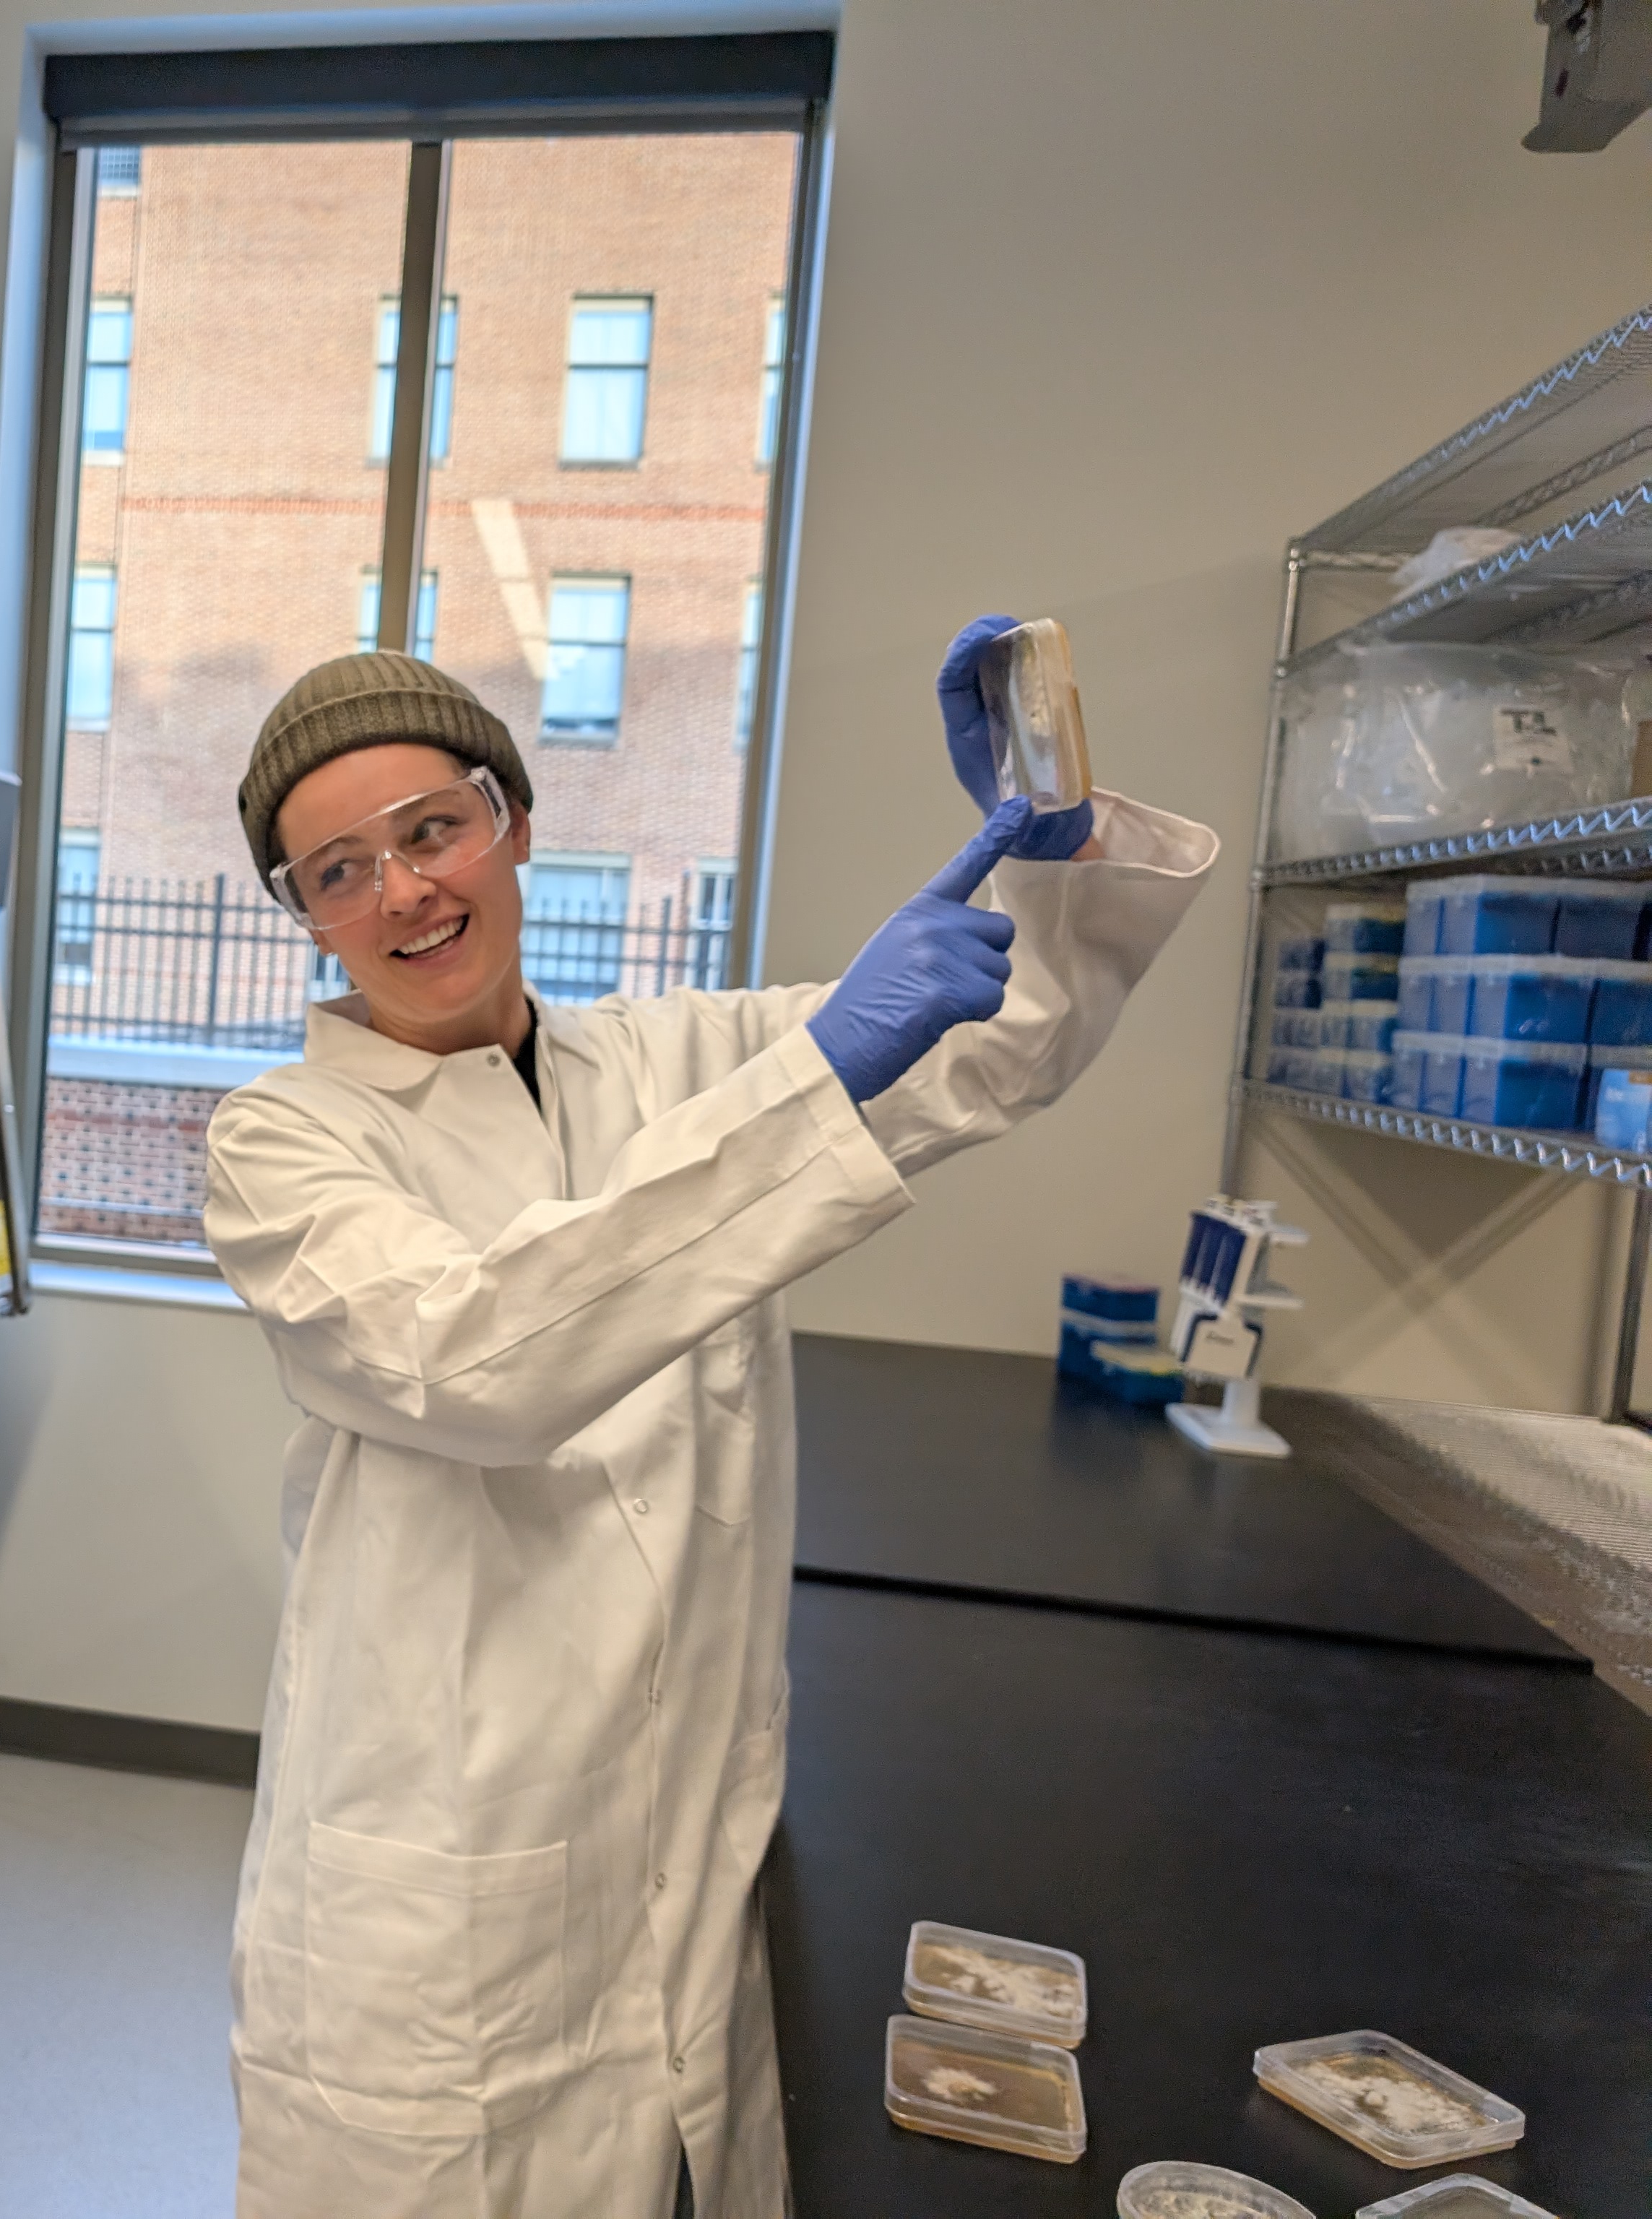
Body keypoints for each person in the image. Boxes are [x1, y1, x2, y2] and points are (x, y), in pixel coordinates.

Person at [203, 627, 1216, 2218]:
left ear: (511, 823)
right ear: (306, 918)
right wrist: (809, 1089)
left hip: (690, 1846)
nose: (401, 893)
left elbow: (1001, 1046)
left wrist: (1054, 840)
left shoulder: (677, 1060)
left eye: (432, 830)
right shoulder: (279, 1142)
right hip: (441, 1893)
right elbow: (479, 1362)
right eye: (337, 873)